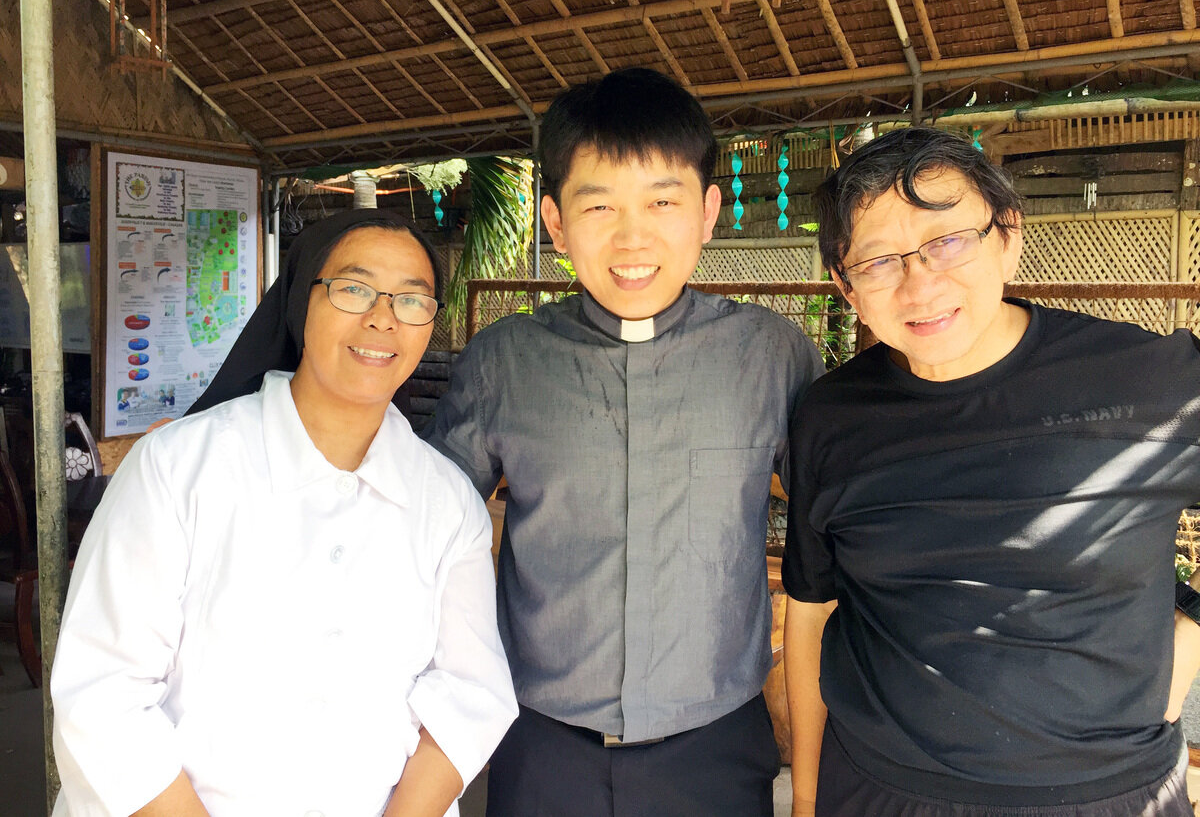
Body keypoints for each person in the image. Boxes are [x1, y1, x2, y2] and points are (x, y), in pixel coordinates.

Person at [424, 67, 825, 817]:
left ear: (708, 212)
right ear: (554, 221)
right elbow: (419, 519)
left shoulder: (771, 356)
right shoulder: (506, 361)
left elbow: (841, 521)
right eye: (599, 204)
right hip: (541, 745)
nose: (632, 237)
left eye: (663, 202)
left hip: (713, 747)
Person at [782, 126, 1200, 817]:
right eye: (881, 260)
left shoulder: (1147, 380)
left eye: (947, 242)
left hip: (1107, 796)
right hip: (880, 791)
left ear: (1007, 236)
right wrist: (804, 798)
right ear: (844, 285)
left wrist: (1188, 629)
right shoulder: (832, 416)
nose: (921, 284)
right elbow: (810, 610)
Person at [51, 209, 517, 817]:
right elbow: (103, 692)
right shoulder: (176, 469)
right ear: (302, 301)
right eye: (354, 289)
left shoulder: (448, 504)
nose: (382, 317)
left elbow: (469, 693)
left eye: (412, 299)